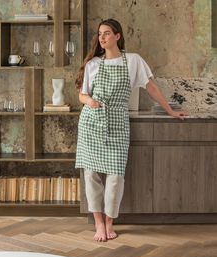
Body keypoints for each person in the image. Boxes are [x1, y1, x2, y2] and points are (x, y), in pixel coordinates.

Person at [75, 18, 188, 242]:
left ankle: (110, 221)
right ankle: (98, 222)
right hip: (91, 122)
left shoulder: (133, 61)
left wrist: (170, 111)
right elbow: (82, 94)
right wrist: (89, 102)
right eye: (100, 34)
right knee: (91, 175)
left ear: (118, 36)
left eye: (107, 33)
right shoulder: (93, 64)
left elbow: (151, 88)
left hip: (118, 121)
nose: (102, 37)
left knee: (116, 176)